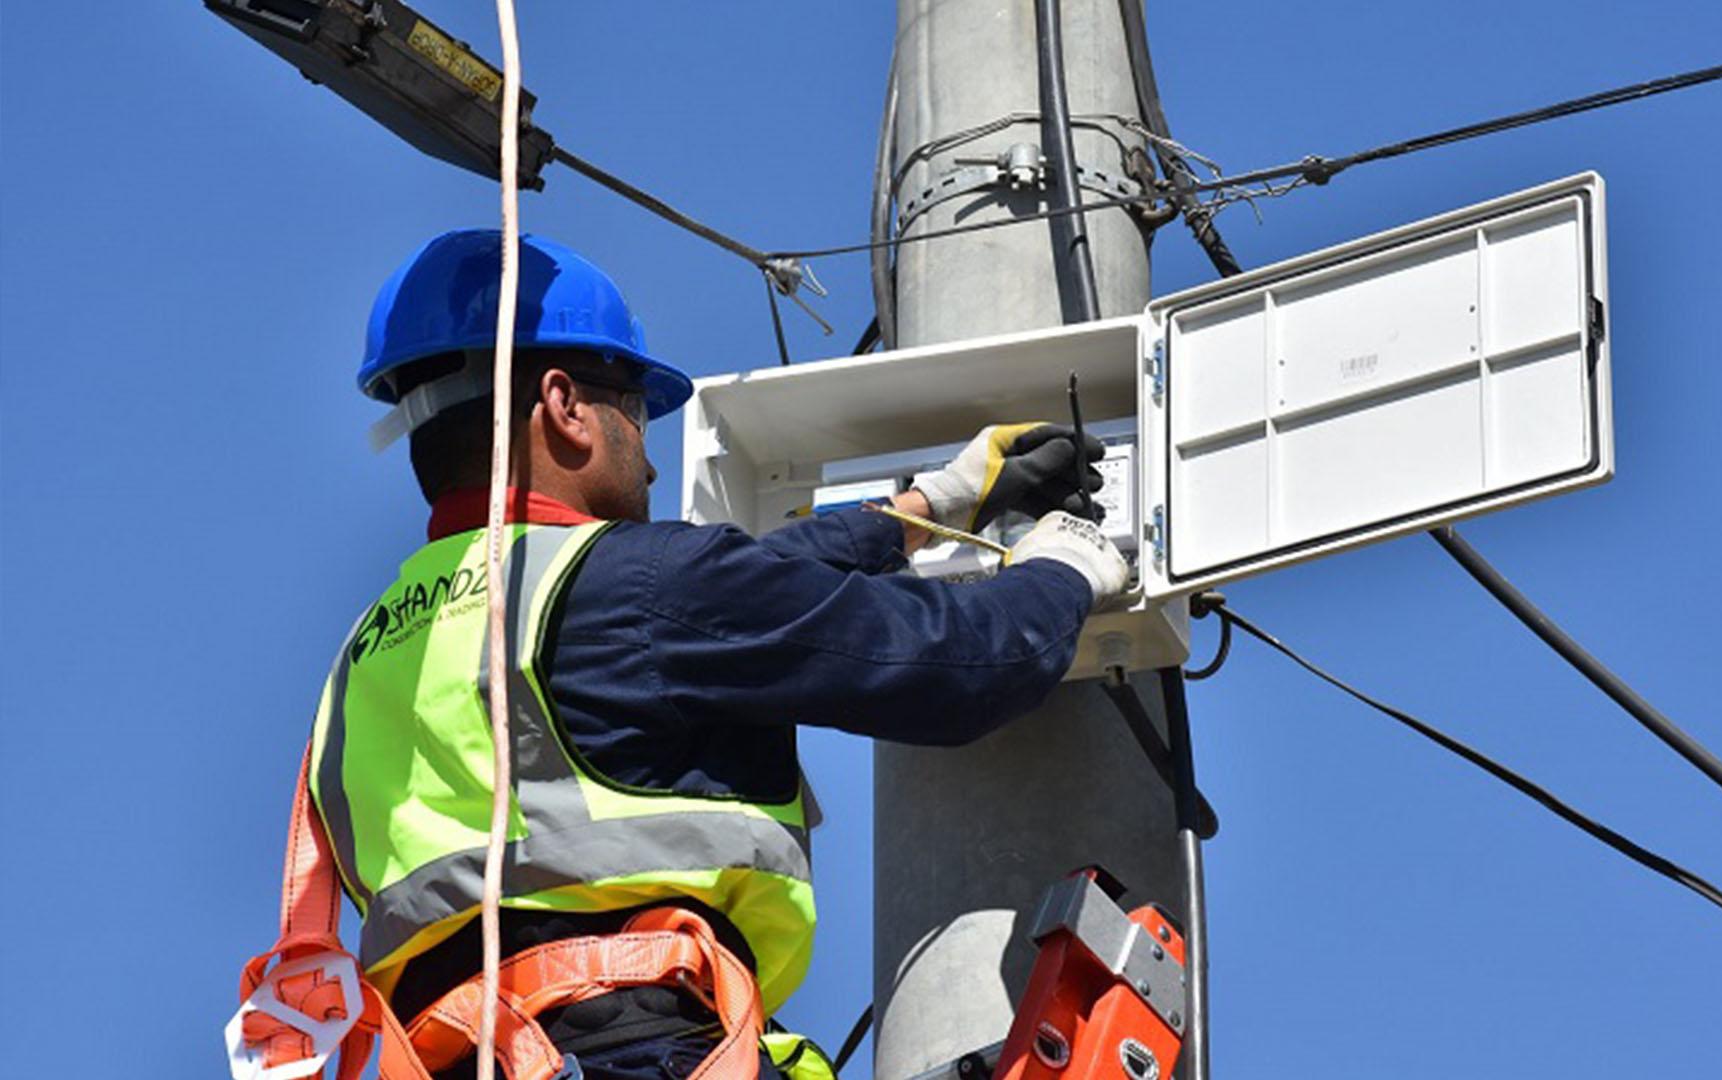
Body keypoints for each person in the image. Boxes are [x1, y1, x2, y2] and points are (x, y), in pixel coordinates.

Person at [246, 229, 1130, 1080]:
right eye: (633, 411)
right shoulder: (635, 588)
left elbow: (712, 599)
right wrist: (1064, 570)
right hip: (627, 1046)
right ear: (565, 407)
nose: (653, 463)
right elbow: (958, 666)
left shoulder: (370, 657)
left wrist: (926, 505)